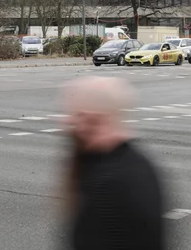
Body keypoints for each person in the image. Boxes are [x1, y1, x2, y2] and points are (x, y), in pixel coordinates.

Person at [61, 76, 166, 250]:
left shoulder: (109, 182)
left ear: (97, 119)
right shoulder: (139, 164)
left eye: (77, 115)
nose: (67, 122)